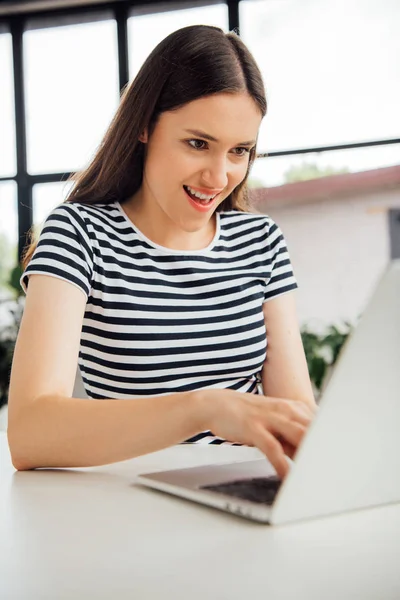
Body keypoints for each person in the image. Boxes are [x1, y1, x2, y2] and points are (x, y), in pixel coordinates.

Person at [8, 24, 316, 479]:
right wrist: (203, 409)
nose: (219, 176)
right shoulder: (78, 234)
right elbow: (31, 432)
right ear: (145, 127)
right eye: (198, 144)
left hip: (240, 493)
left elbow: (295, 417)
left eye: (240, 151)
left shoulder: (261, 241)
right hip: (129, 500)